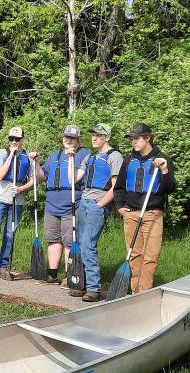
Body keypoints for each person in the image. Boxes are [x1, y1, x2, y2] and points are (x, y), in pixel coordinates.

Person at [113, 123, 176, 293]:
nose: (133, 142)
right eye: (131, 138)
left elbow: (170, 188)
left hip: (152, 213)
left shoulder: (162, 159)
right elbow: (118, 188)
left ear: (148, 137)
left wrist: (163, 170)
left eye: (137, 138)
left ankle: (144, 293)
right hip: (131, 213)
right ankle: (134, 292)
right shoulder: (128, 160)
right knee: (134, 255)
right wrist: (120, 207)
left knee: (150, 257)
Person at [70, 123, 123, 301]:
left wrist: (100, 205)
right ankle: (82, 284)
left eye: (98, 135)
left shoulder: (114, 156)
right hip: (83, 202)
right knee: (80, 243)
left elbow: (116, 187)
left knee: (88, 244)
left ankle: (94, 288)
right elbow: (74, 179)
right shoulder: (90, 156)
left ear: (107, 137)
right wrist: (71, 158)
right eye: (93, 134)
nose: (94, 138)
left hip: (95, 205)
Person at [0, 126, 36, 280]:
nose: (14, 142)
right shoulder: (2, 153)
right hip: (0, 199)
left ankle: (3, 267)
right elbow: (0, 175)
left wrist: (20, 189)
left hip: (17, 201)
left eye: (17, 139)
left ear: (22, 140)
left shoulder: (27, 157)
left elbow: (33, 181)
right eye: (11, 139)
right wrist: (11, 155)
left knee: (10, 234)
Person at [36, 125, 90, 285]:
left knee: (69, 241)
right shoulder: (54, 155)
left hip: (71, 204)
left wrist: (72, 157)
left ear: (79, 140)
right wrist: (36, 163)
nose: (68, 140)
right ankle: (52, 274)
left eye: (72, 138)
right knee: (53, 239)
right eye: (66, 137)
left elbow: (77, 178)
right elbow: (41, 177)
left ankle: (69, 275)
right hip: (52, 204)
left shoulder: (84, 155)